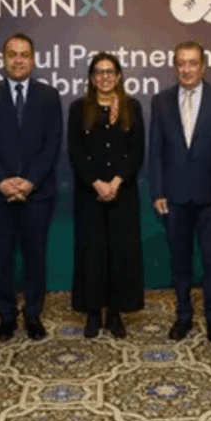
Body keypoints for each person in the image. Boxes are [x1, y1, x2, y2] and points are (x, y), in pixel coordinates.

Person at [0, 33, 63, 341]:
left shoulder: (49, 96)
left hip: (37, 195)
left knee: (35, 258)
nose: (18, 60)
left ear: (33, 60)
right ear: (3, 59)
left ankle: (33, 315)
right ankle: (7, 317)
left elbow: (52, 144)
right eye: (12, 54)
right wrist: (2, 181)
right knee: (1, 259)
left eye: (24, 54)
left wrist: (29, 182)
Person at [149, 41, 211, 342]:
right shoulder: (161, 101)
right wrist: (158, 191)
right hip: (174, 198)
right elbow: (156, 150)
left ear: (203, 67)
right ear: (175, 67)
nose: (187, 69)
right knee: (180, 262)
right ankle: (183, 316)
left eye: (193, 63)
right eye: (181, 63)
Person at [68, 53, 145, 338]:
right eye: (99, 72)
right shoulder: (79, 108)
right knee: (92, 254)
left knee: (120, 254)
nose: (105, 77)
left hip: (122, 193)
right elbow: (75, 151)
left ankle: (114, 313)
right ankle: (92, 312)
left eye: (110, 71)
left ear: (119, 75)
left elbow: (137, 150)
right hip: (89, 194)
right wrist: (96, 183)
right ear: (91, 78)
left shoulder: (131, 107)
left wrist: (116, 181)